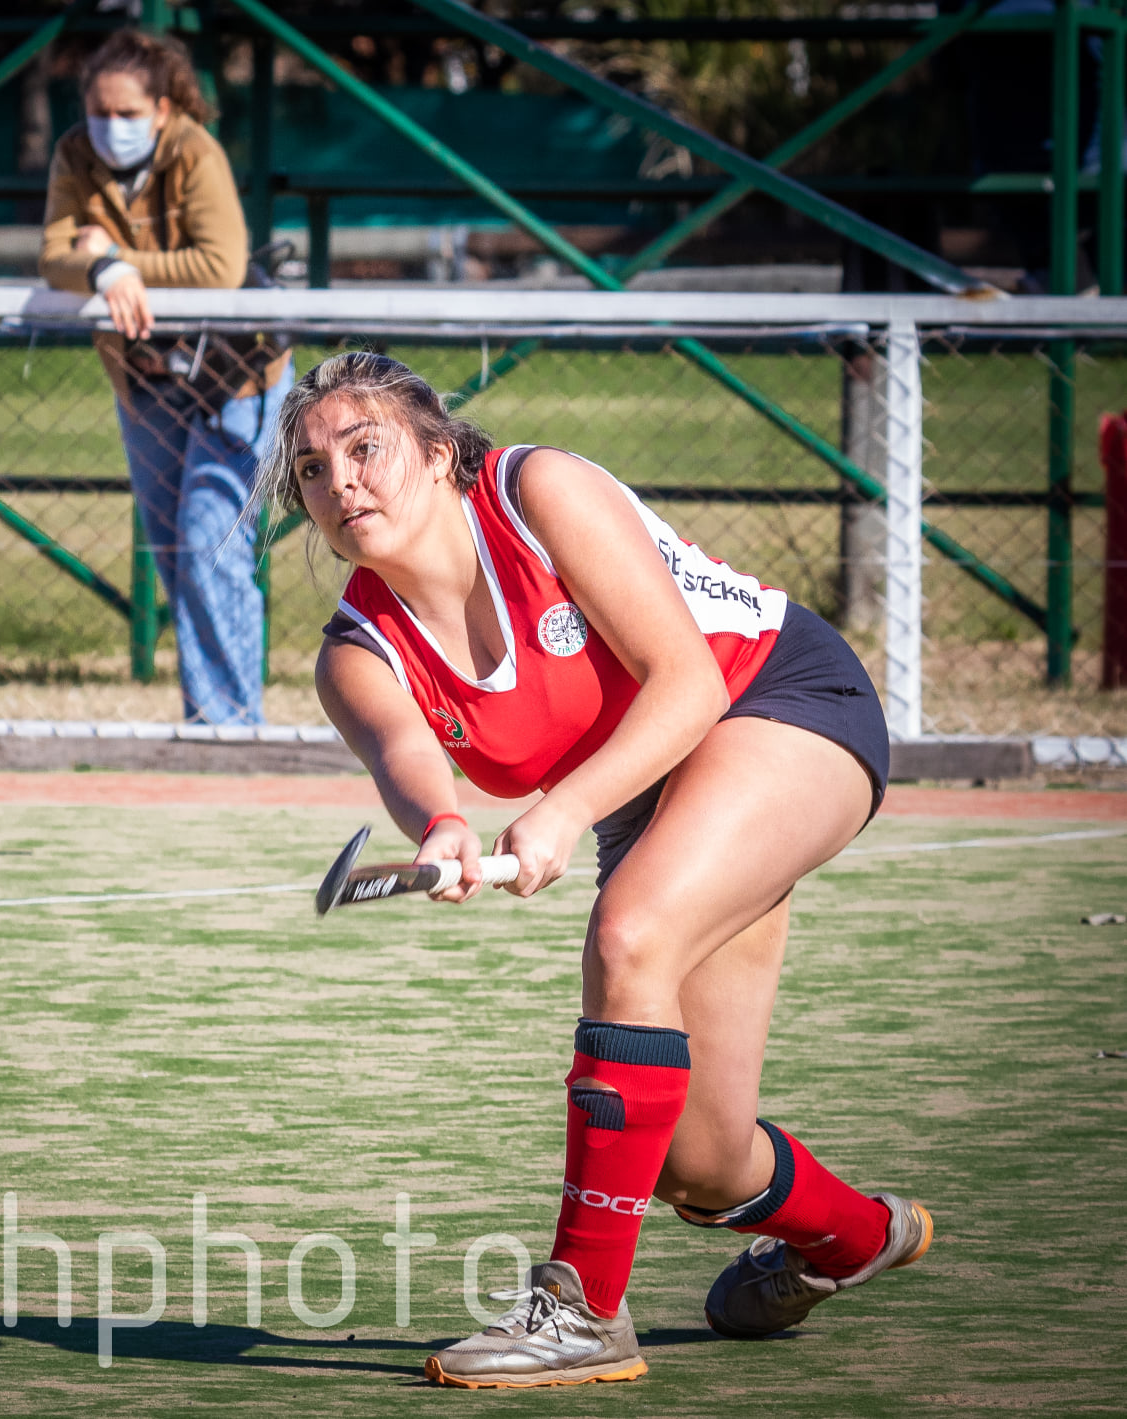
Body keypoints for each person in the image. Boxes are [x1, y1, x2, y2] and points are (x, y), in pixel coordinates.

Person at [259, 352, 933, 1389]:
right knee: (697, 1164)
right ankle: (855, 1238)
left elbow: (688, 681)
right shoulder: (355, 650)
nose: (339, 482)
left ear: (439, 454)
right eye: (310, 469)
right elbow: (409, 760)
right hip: (655, 787)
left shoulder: (537, 491)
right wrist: (440, 824)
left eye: (364, 449)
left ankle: (579, 1313)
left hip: (776, 703)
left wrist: (563, 810)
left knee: (627, 934)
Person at [40, 30, 292, 726]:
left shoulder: (193, 150)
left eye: (125, 114)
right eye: (97, 110)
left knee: (213, 539)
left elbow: (221, 265)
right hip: (145, 377)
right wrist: (99, 271)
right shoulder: (72, 154)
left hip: (236, 376)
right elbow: (53, 256)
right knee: (177, 552)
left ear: (160, 108)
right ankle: (206, 719)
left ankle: (233, 728)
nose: (107, 127)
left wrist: (112, 254)